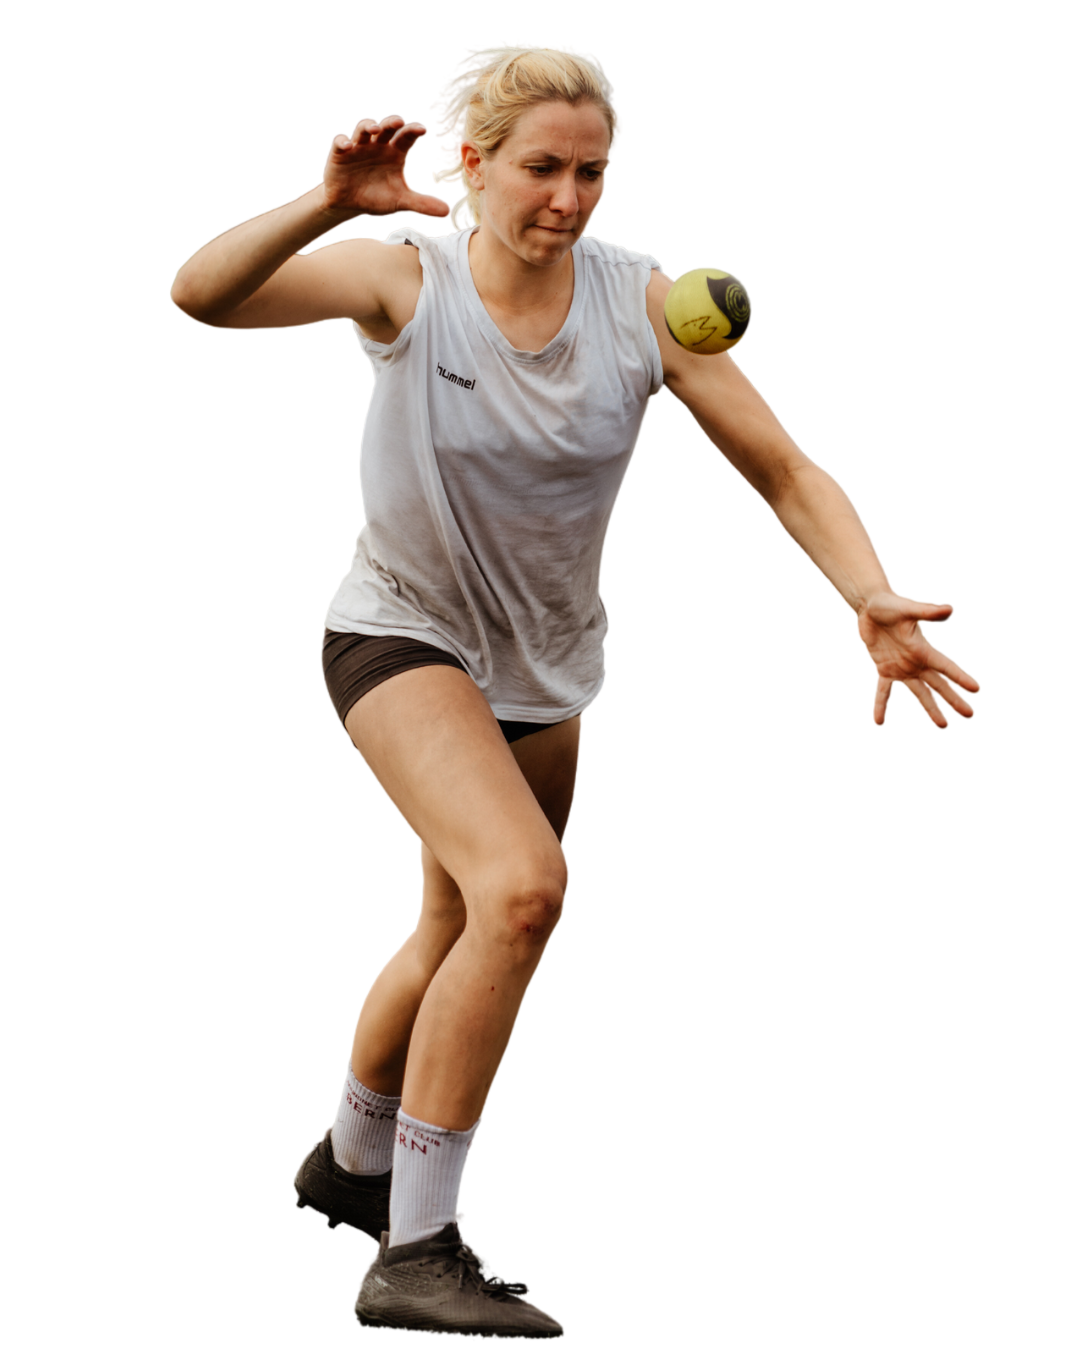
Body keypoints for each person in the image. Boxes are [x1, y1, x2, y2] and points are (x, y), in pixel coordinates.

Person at [170, 40, 981, 1339]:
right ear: (471, 164)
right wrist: (326, 203)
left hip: (549, 665)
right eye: (541, 168)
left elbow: (784, 469)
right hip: (400, 636)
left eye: (591, 172)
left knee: (454, 924)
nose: (567, 197)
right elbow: (203, 296)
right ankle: (417, 1248)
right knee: (524, 890)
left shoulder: (640, 300)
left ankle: (349, 1160)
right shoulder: (406, 279)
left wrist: (867, 593)